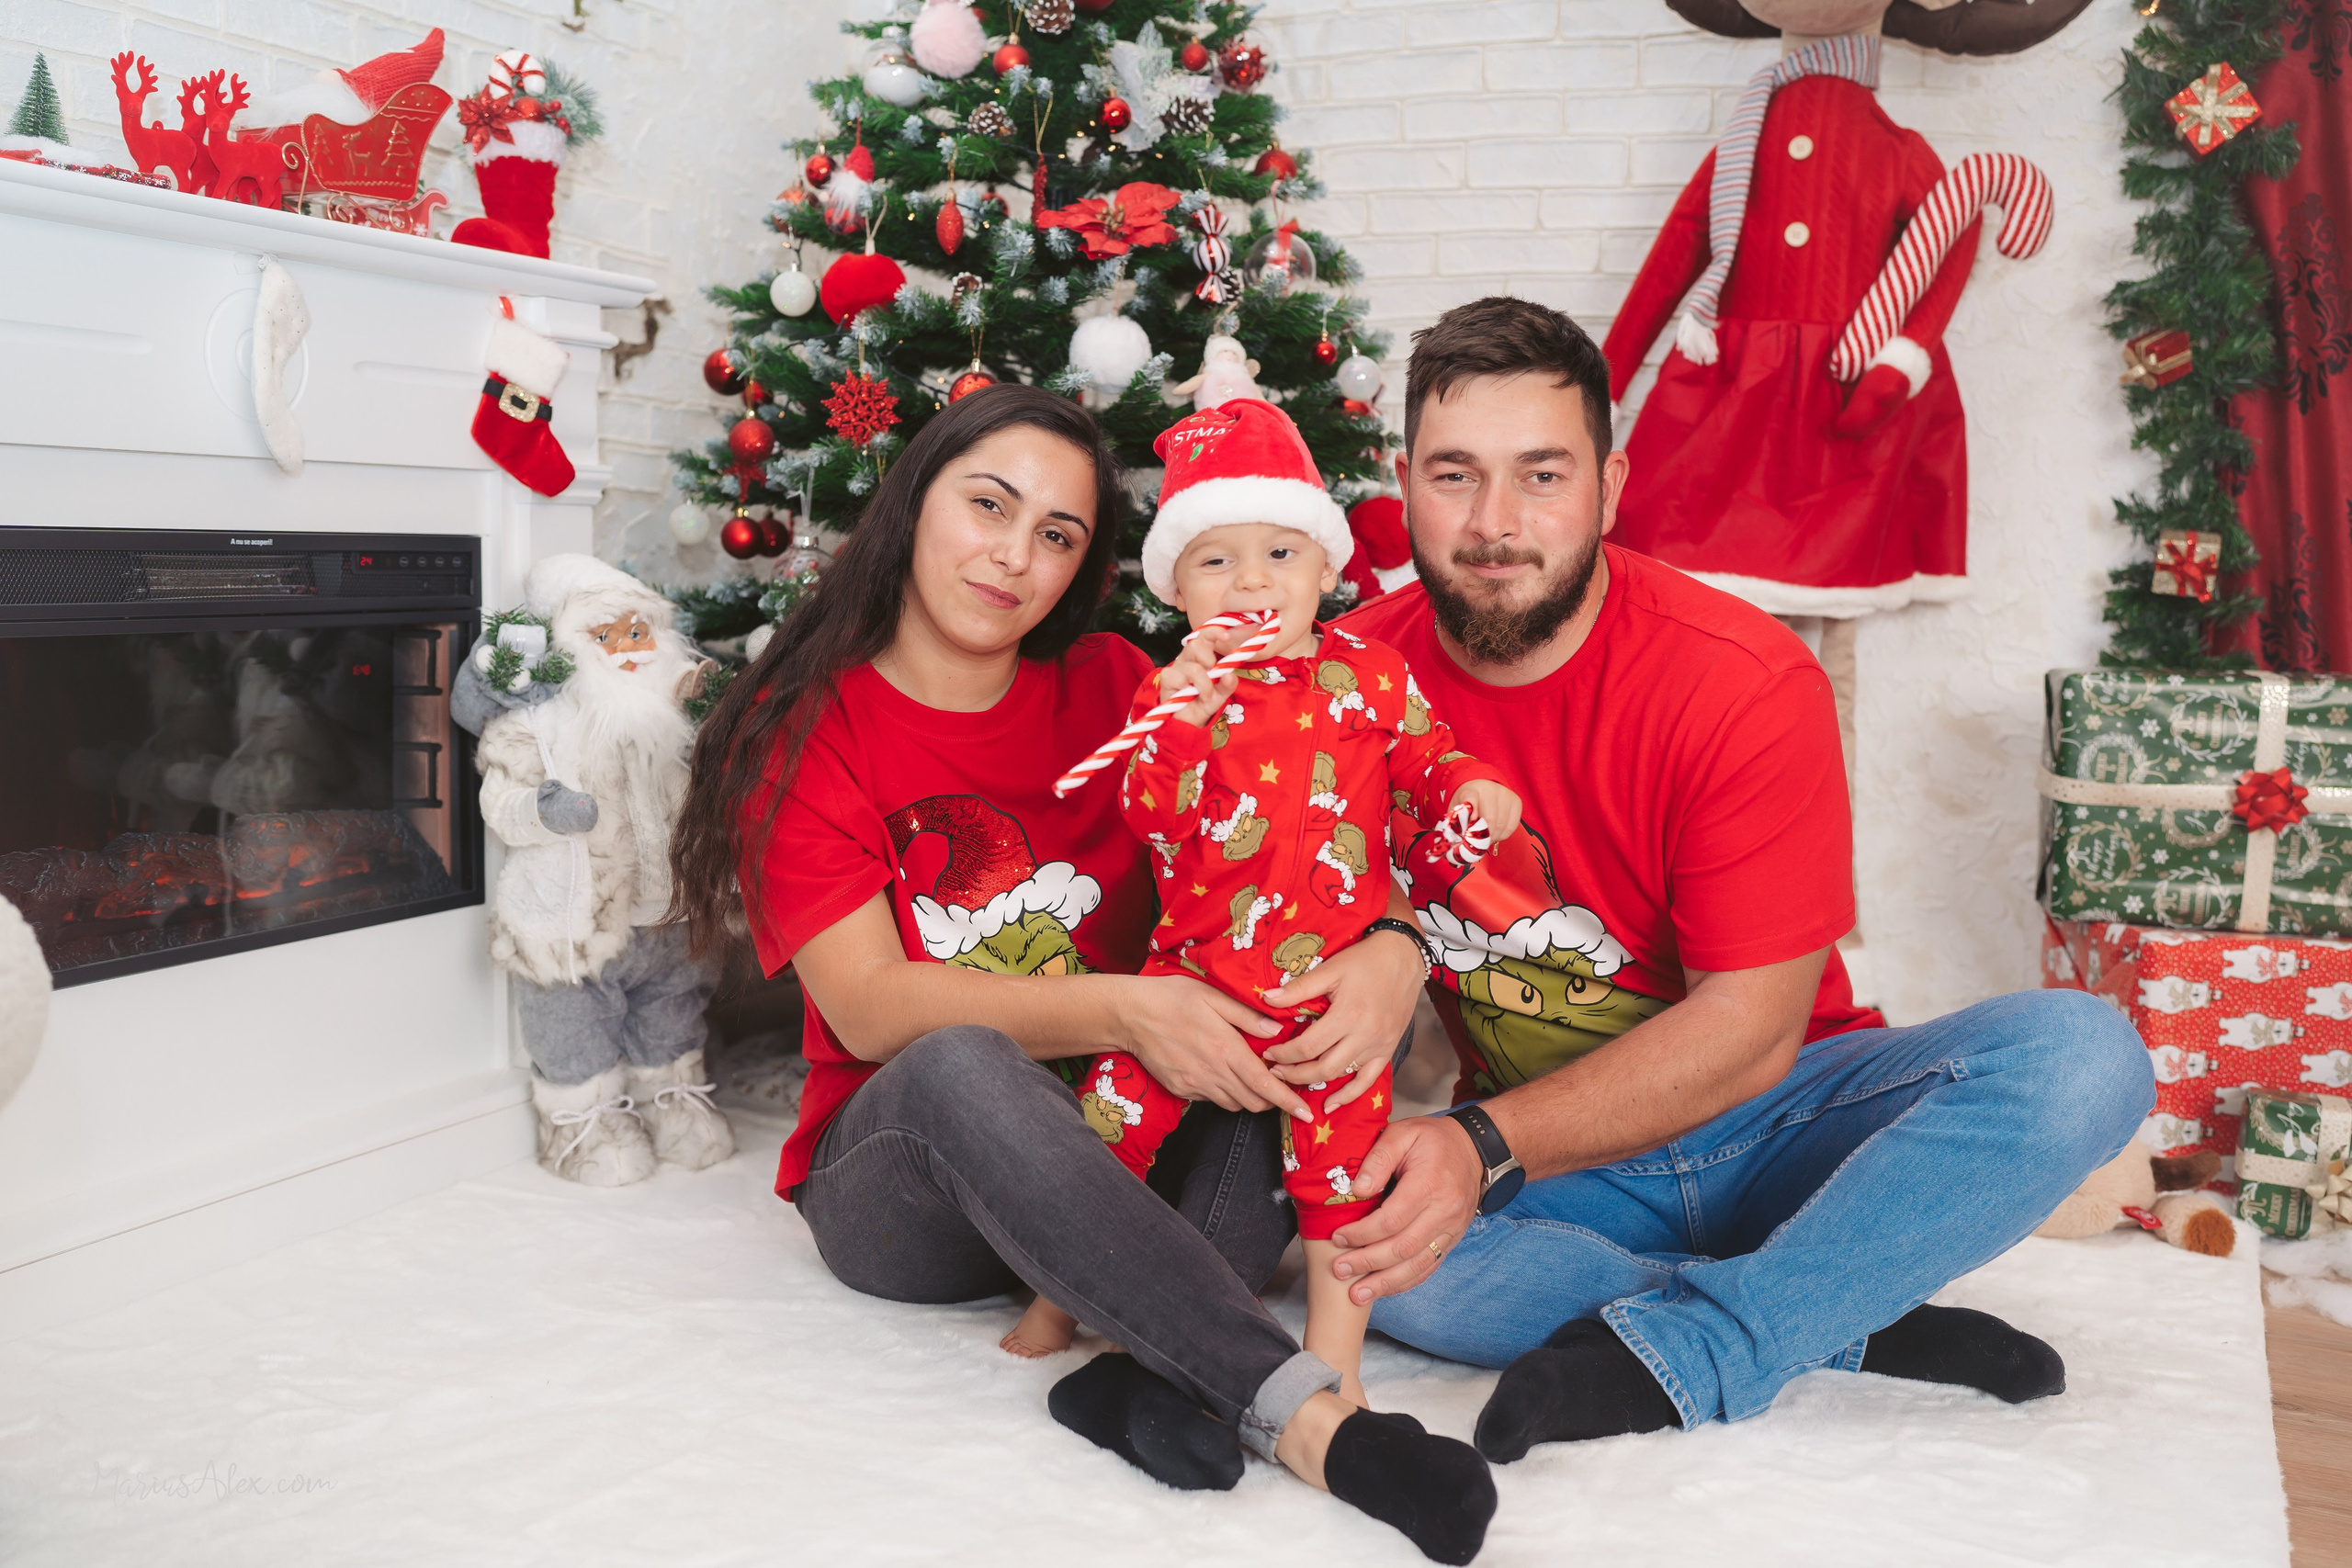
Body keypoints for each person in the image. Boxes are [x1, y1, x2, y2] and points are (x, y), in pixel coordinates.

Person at [665, 385, 1498, 1564]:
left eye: (1056, 536)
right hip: (911, 1184)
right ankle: (1313, 1424)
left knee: (1279, 1055)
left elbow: (1313, 821)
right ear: (913, 503)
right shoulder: (806, 725)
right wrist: (1127, 1009)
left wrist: (1391, 950)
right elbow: (868, 1005)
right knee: (963, 1061)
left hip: (1132, 1133)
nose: (1014, 556)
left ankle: (1128, 1381)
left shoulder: (1124, 685)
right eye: (988, 506)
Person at [1324, 296, 2153, 1460]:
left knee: (2083, 1060)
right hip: (1562, 1159)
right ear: (1400, 479)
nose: (1494, 523)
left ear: (1610, 487)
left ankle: (1712, 1343)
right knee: (1381, 1259)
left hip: (1781, 1118)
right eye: (1456, 475)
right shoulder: (1344, 684)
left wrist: (1478, 1147)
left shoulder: (1739, 677)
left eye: (1542, 476)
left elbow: (1752, 1033)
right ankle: (1831, 1308)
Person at [1010, 399, 1521, 1409]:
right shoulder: (1174, 696)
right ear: (1175, 590)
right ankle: (1053, 1302)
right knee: (1107, 1136)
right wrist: (1177, 728)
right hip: (1191, 983)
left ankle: (1338, 1363)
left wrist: (1469, 784)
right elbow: (1148, 818)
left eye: (1281, 552)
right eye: (1217, 561)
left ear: (1326, 570)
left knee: (1340, 1184)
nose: (1252, 580)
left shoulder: (1372, 678)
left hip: (1327, 1000)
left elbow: (1424, 759)